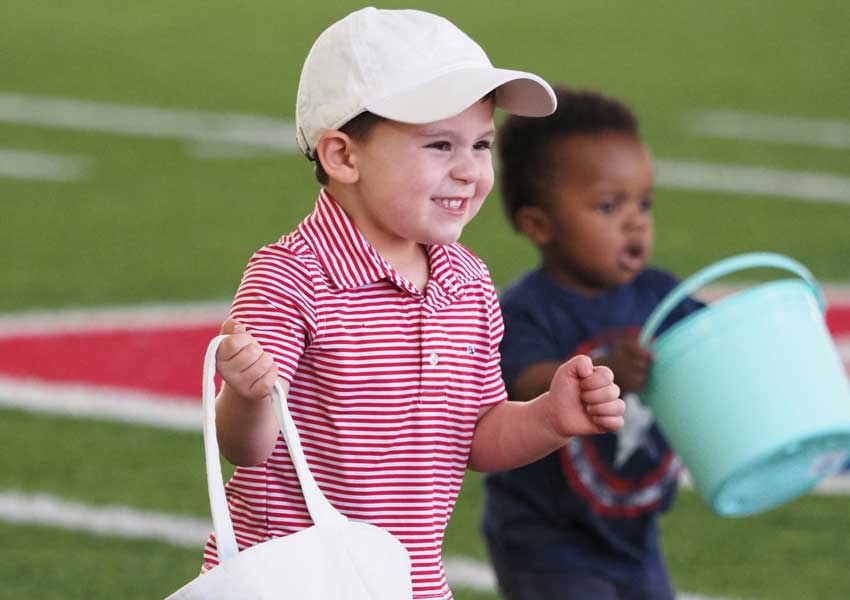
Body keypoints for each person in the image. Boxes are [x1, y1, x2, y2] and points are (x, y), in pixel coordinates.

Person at [202, 9, 625, 600]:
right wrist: (246, 395)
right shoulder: (290, 279)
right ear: (343, 157)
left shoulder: (467, 282)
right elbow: (246, 451)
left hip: (410, 585)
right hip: (296, 583)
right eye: (438, 144)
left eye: (480, 144)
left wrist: (550, 419)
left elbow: (474, 435)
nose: (468, 171)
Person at [481, 87, 705, 600]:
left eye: (643, 202)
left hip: (633, 532)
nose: (635, 220)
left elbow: (717, 349)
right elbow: (524, 384)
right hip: (546, 539)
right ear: (538, 224)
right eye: (608, 205)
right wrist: (601, 368)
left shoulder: (661, 295)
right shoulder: (524, 311)